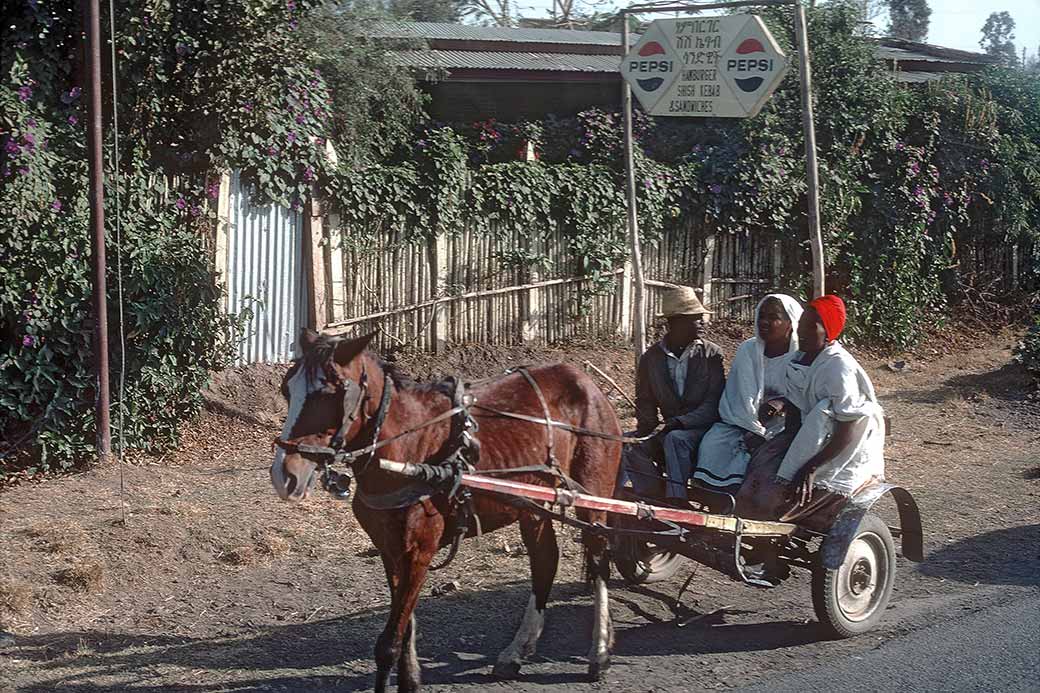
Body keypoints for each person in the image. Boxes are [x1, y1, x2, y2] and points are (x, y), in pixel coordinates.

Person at [736, 295, 886, 522]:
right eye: (801, 325)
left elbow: (849, 426)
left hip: (843, 443)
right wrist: (781, 446)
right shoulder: (800, 358)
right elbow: (796, 409)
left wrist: (810, 468)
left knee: (780, 496)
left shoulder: (838, 367)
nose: (801, 331)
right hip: (813, 434)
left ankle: (767, 540)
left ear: (828, 332)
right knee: (758, 472)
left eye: (809, 326)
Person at [620, 286, 725, 502]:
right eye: (696, 318)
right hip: (669, 430)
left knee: (675, 440)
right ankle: (652, 497)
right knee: (629, 444)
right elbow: (645, 400)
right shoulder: (652, 358)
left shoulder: (711, 354)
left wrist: (679, 422)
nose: (703, 323)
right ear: (676, 322)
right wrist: (647, 428)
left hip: (703, 432)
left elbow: (714, 404)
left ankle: (676, 502)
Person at [693, 294, 803, 492]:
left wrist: (782, 403)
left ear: (790, 322)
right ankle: (717, 499)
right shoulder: (748, 350)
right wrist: (753, 430)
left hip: (785, 425)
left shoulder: (801, 355)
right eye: (761, 316)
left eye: (773, 317)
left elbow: (805, 395)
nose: (764, 322)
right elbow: (741, 395)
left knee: (776, 456)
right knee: (713, 444)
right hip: (741, 422)